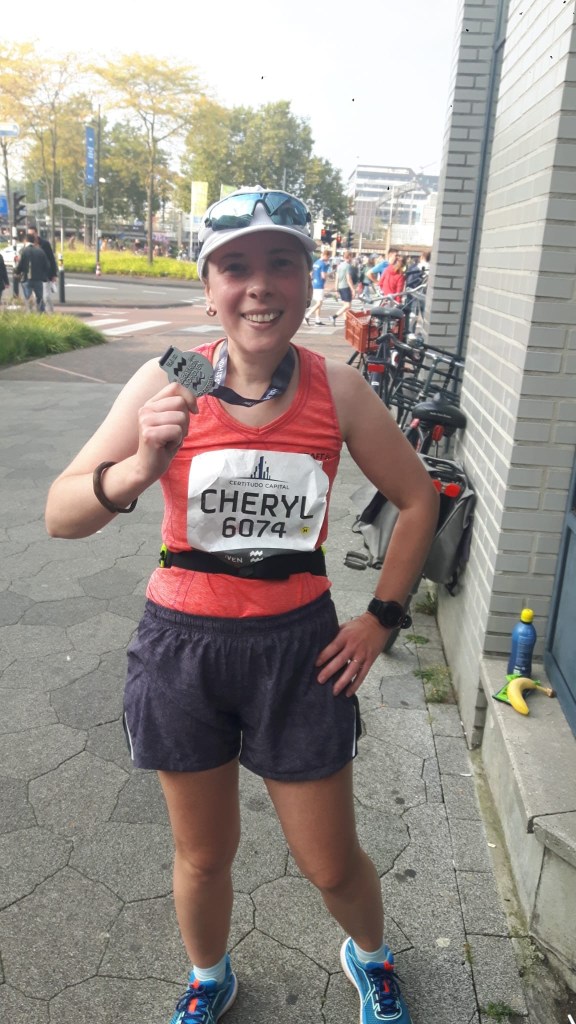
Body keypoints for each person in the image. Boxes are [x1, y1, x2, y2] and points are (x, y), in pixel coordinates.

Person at [45, 186, 438, 1024]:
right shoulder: (167, 379)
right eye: (235, 267)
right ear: (210, 286)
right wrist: (139, 469)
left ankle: (371, 957)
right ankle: (209, 975)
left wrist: (382, 619)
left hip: (298, 653)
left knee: (330, 863)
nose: (259, 285)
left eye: (280, 263)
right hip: (182, 648)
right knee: (204, 855)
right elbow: (61, 514)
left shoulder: (339, 389)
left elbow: (418, 499)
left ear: (307, 279)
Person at [16, 230, 50, 312]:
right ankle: (41, 313)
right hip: (38, 279)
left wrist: (17, 272)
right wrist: (43, 274)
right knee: (39, 298)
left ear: (25, 240)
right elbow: (47, 265)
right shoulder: (40, 251)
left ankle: (30, 313)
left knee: (28, 298)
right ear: (34, 241)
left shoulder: (24, 251)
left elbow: (20, 265)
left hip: (26, 278)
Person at [29, 226, 58, 313]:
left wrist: (54, 274)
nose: (31, 236)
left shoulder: (45, 244)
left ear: (36, 233)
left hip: (45, 275)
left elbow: (51, 259)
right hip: (33, 276)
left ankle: (51, 314)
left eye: (33, 234)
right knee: (36, 297)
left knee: (46, 296)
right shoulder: (28, 245)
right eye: (29, 234)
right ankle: (40, 314)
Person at [304, 246, 332, 325]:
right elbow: (323, 276)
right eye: (328, 257)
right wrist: (330, 274)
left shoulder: (316, 263)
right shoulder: (323, 264)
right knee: (319, 303)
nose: (328, 259)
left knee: (319, 303)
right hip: (320, 284)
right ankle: (307, 315)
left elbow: (311, 274)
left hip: (315, 283)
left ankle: (317, 320)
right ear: (326, 255)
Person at [331, 248, 356, 325]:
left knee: (346, 306)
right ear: (350, 257)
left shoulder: (339, 266)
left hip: (340, 287)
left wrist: (336, 288)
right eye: (352, 257)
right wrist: (353, 289)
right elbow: (348, 279)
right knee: (348, 305)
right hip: (346, 287)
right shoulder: (348, 266)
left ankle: (346, 322)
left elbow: (337, 278)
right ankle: (334, 316)